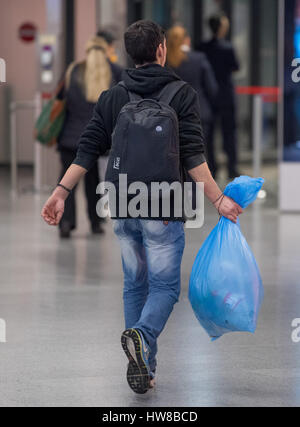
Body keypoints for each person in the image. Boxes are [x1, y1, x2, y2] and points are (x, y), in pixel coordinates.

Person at [41, 20, 243, 393]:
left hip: (121, 200)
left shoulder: (113, 96)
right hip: (165, 204)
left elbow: (87, 148)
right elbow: (195, 154)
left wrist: (61, 191)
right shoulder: (181, 94)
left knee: (135, 285)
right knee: (164, 287)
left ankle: (144, 369)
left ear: (130, 55)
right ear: (161, 50)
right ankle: (142, 335)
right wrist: (218, 199)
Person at [56, 36, 122, 238]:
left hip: (69, 137)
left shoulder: (72, 71)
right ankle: (95, 223)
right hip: (96, 139)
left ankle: (66, 222)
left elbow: (59, 98)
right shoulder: (112, 73)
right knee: (93, 181)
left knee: (67, 181)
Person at [167, 25, 218, 206]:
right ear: (186, 40)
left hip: (173, 115)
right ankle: (193, 202)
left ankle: (176, 200)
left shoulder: (167, 62)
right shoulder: (198, 59)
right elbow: (212, 87)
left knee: (175, 157)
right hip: (199, 112)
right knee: (197, 156)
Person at [198, 13, 240, 179]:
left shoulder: (203, 47)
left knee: (209, 136)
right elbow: (235, 66)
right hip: (225, 95)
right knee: (229, 134)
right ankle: (231, 167)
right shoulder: (227, 48)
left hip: (210, 96)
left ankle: (212, 168)